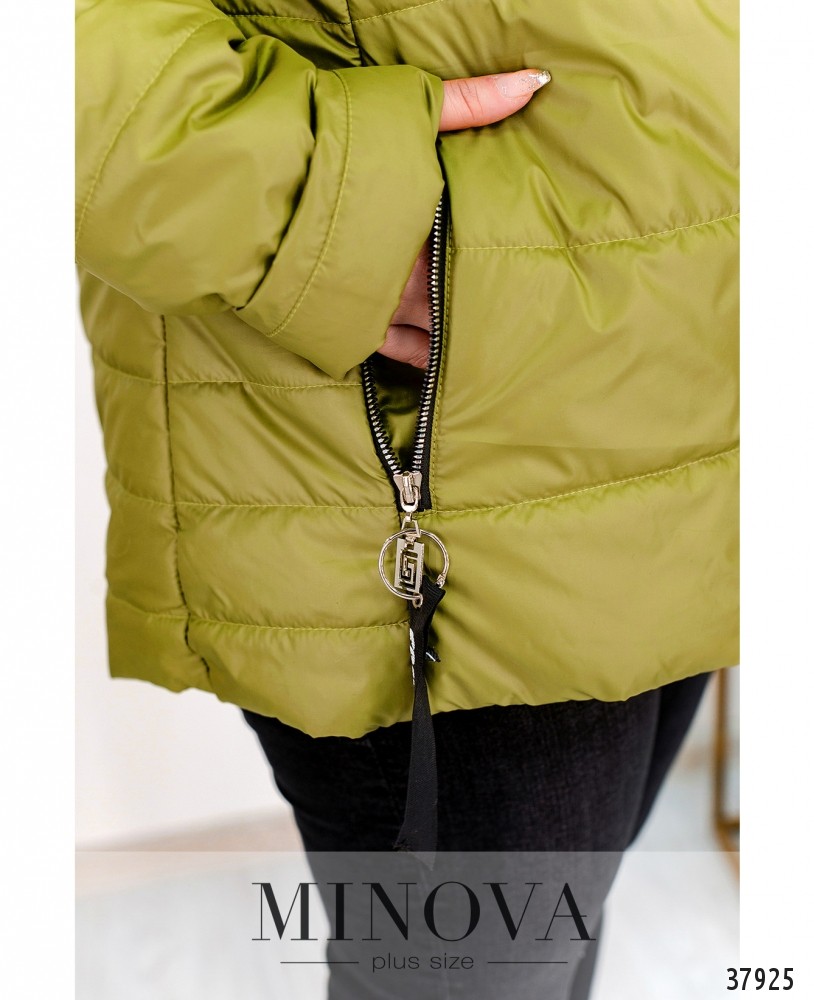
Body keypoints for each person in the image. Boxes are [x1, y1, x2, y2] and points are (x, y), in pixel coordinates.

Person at [76, 1, 738, 997]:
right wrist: (324, 217)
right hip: (446, 462)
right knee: (470, 966)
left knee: (557, 930)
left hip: (687, 372)